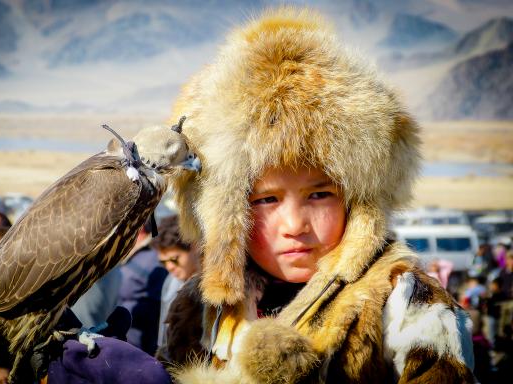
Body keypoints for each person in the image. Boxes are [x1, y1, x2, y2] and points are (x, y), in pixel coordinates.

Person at [160, 7, 475, 383]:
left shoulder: (405, 305)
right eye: (266, 200)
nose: (294, 225)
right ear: (223, 211)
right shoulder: (201, 308)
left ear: (359, 202)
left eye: (319, 195)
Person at [149, 215, 199, 354]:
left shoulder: (214, 283)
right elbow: (164, 338)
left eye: (174, 259)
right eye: (164, 262)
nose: (170, 267)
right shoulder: (171, 282)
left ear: (195, 246)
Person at [116, 223, 168, 355]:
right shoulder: (131, 252)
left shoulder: (153, 257)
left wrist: (125, 315)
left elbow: (157, 304)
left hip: (139, 344)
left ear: (140, 228)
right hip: (122, 336)